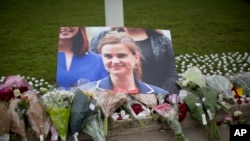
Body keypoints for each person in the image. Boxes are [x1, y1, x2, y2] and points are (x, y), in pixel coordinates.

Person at [90, 27, 179, 94]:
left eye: (121, 55)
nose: (115, 61)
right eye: (108, 56)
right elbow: (93, 68)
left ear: (136, 58)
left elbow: (173, 73)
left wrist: (158, 96)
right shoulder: (101, 38)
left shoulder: (162, 40)